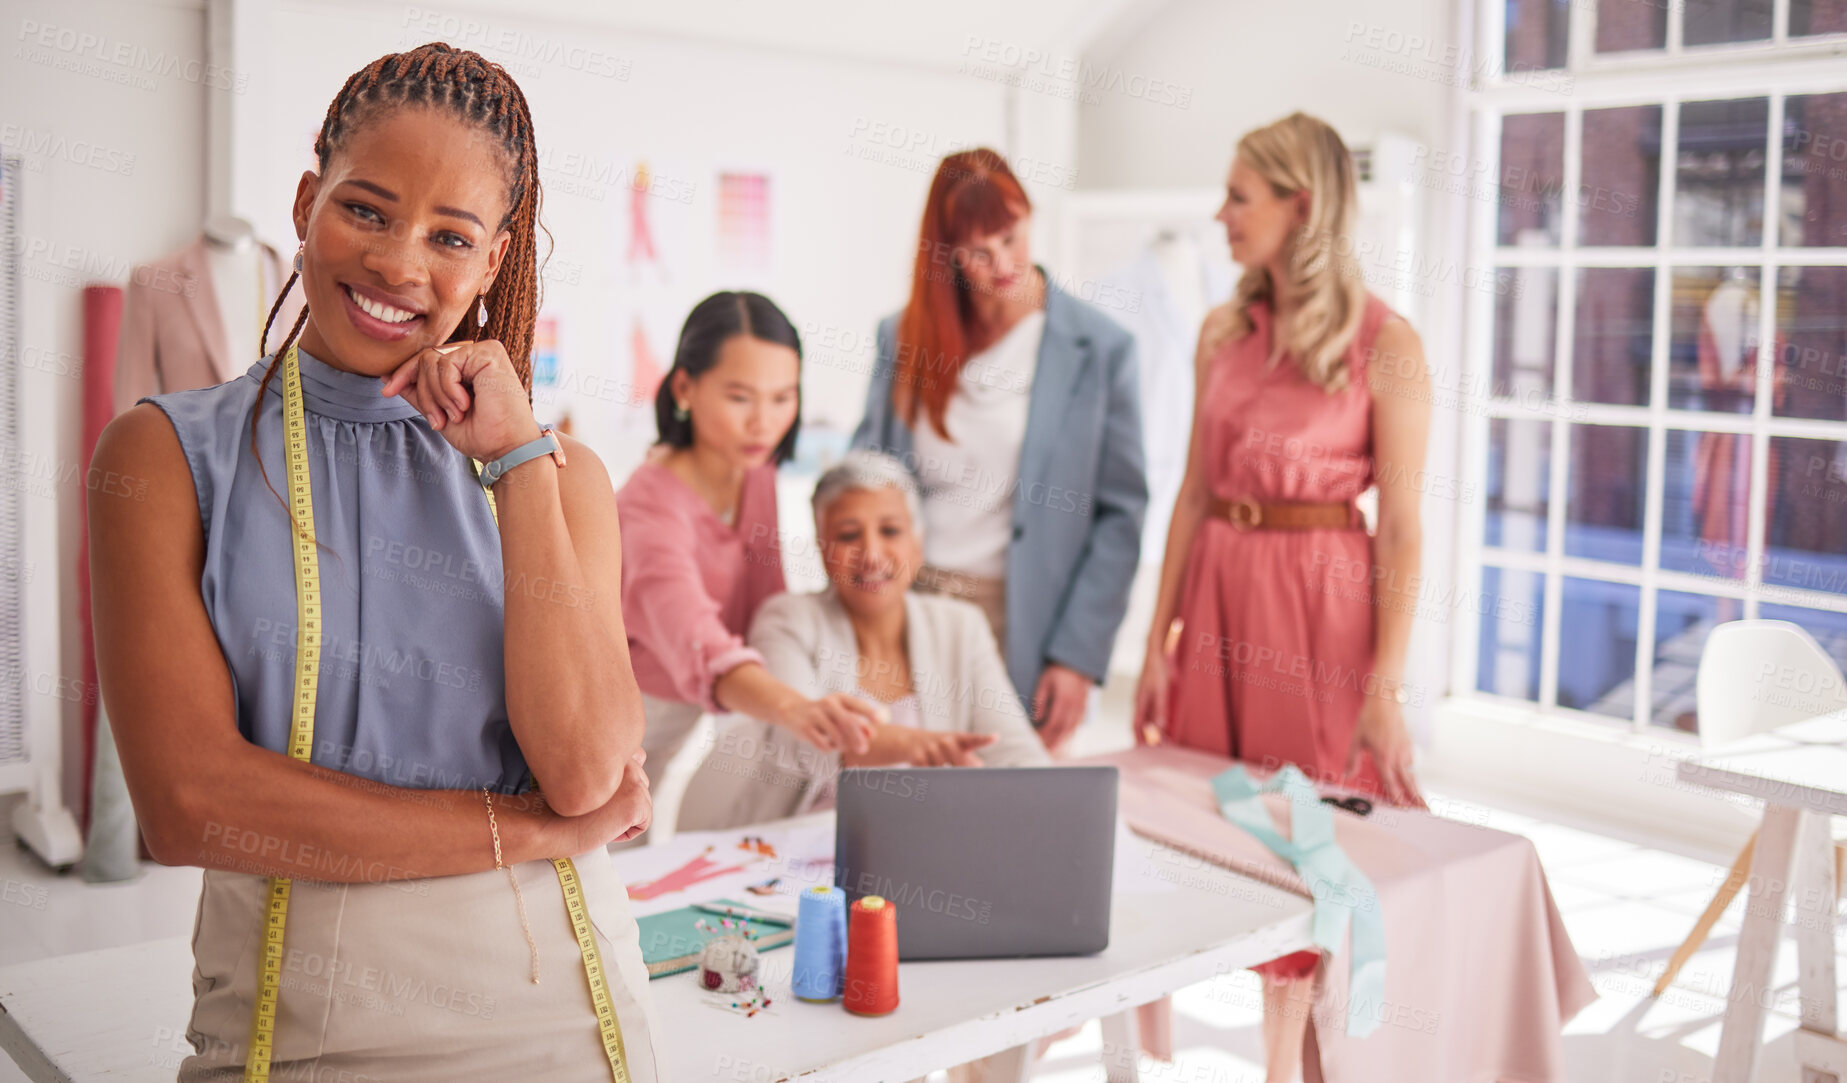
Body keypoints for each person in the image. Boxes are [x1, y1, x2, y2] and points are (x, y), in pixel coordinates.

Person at [88, 44, 663, 1081]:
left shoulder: (559, 475)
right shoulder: (164, 456)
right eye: (367, 209)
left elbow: (584, 774)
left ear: (492, 264)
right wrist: (524, 835)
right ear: (306, 200)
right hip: (293, 1029)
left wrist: (518, 464)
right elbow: (187, 805)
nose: (401, 263)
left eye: (450, 236)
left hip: (562, 1022)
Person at [1133, 111, 1433, 1083]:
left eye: (1237, 196)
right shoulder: (1221, 330)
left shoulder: (1387, 342)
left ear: (1297, 206)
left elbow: (1399, 524)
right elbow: (1187, 492)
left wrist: (1384, 687)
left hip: (1318, 613)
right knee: (1208, 827)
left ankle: (1302, 1068)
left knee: (1309, 846)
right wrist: (1155, 642)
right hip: (1215, 597)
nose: (1218, 215)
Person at [853, 148, 1147, 752]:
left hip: (1023, 620)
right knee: (899, 797)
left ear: (1029, 217)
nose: (1004, 264)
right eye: (978, 253)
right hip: (908, 606)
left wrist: (1078, 655)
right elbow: (870, 473)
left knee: (1009, 803)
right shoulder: (903, 337)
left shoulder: (1102, 347)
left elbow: (1121, 517)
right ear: (948, 255)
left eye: (1012, 238)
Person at [677, 451, 1049, 830]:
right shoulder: (787, 618)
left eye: (890, 531)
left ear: (917, 547)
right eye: (849, 535)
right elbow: (799, 742)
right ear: (823, 550)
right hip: (799, 844)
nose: (871, 555)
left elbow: (1016, 754)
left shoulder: (960, 626)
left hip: (923, 839)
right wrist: (914, 745)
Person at [617, 292, 879, 809]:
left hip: (702, 705)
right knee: (607, 847)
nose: (764, 422)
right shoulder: (648, 510)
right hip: (624, 716)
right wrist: (797, 708)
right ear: (685, 387)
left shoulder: (754, 469)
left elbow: (766, 602)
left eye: (783, 397)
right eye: (741, 398)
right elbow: (704, 648)